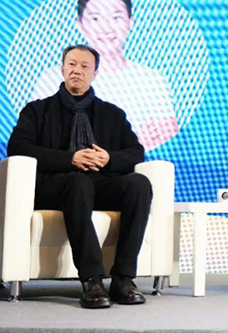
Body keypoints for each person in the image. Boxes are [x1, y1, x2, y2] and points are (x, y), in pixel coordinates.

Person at [9, 45, 152, 309]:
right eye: (72, 64)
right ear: (62, 69)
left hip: (100, 182)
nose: (77, 70)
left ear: (95, 73)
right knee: (78, 181)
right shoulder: (37, 110)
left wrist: (109, 158)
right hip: (56, 184)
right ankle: (92, 280)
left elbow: (136, 152)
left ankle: (123, 278)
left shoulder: (112, 114)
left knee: (139, 184)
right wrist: (70, 159)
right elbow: (18, 147)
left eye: (85, 66)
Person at [32, 0, 178, 150]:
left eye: (116, 18)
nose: (106, 28)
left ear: (130, 22)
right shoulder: (52, 79)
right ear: (80, 24)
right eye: (95, 19)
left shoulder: (150, 79)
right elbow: (37, 136)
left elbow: (166, 133)